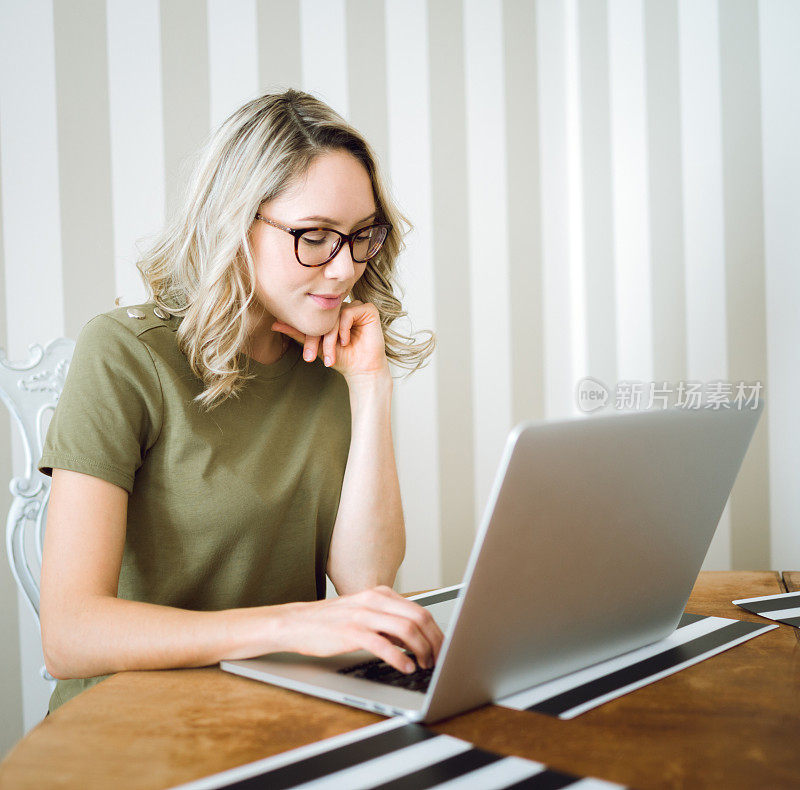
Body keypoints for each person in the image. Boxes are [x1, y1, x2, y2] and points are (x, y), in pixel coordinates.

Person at [37, 88, 444, 714]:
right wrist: (289, 626)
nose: (343, 271)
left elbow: (366, 582)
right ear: (234, 224)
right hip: (124, 724)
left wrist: (370, 387)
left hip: (274, 708)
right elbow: (68, 635)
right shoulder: (124, 353)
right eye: (314, 237)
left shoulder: (329, 358)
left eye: (361, 236)